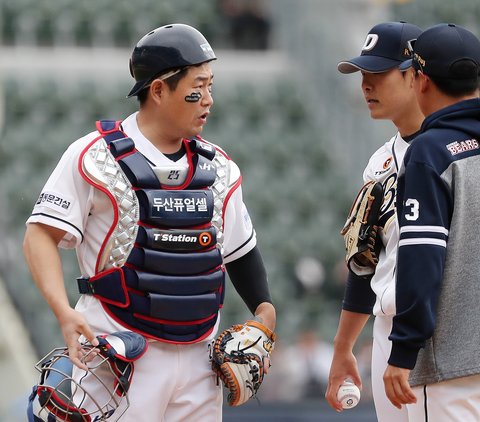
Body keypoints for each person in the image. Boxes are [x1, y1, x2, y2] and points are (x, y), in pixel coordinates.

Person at [23, 23, 276, 421]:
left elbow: (241, 252)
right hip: (118, 353)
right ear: (158, 90)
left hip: (199, 358)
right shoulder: (94, 156)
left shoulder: (219, 166)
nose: (208, 99)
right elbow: (39, 235)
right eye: (198, 86)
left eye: (211, 86)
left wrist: (264, 309)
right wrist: (62, 311)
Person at [383, 23, 480, 421]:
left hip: (451, 362)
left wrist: (403, 350)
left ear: (419, 81)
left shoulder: (428, 152)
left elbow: (422, 258)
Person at [325, 21, 423, 422]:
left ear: (416, 75)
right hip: (388, 328)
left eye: (378, 75)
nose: (366, 85)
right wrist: (344, 346)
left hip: (435, 328)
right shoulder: (380, 161)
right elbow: (365, 259)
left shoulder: (457, 151)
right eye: (363, 75)